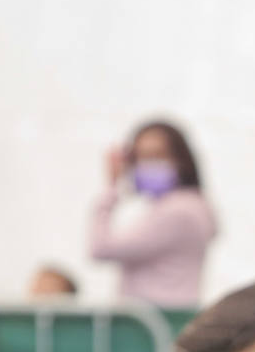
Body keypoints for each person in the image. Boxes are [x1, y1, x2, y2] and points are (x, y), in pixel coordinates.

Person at [89, 119, 217, 307]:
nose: (146, 164)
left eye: (157, 155)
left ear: (181, 160)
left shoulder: (179, 210)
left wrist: (111, 188)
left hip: (159, 322)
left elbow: (101, 248)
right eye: (140, 157)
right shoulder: (190, 205)